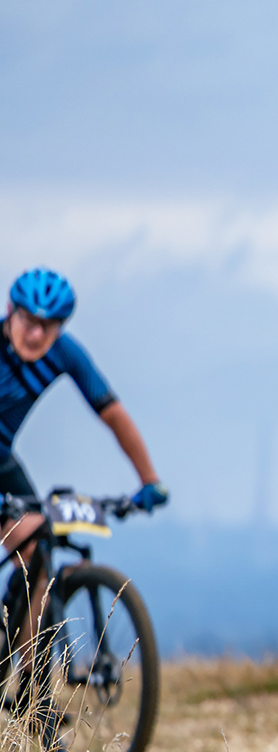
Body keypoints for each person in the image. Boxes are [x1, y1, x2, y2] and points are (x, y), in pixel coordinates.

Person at [0, 269, 168, 632]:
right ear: (10, 312)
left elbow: (113, 414)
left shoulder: (65, 353)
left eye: (48, 326)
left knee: (37, 557)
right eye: (28, 321)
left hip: (1, 460)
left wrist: (149, 480)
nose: (36, 334)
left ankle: (30, 667)